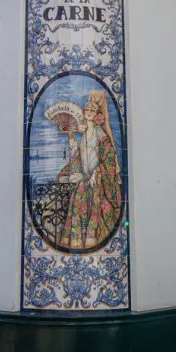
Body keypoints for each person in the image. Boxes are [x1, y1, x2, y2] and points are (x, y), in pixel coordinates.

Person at [57, 89, 122, 250]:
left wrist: (96, 173)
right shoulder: (85, 134)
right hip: (86, 179)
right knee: (76, 199)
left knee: (94, 203)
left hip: (98, 180)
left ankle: (92, 241)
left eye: (93, 110)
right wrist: (71, 137)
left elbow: (108, 158)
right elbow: (78, 156)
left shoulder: (101, 134)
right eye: (87, 109)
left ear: (98, 115)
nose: (89, 112)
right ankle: (78, 241)